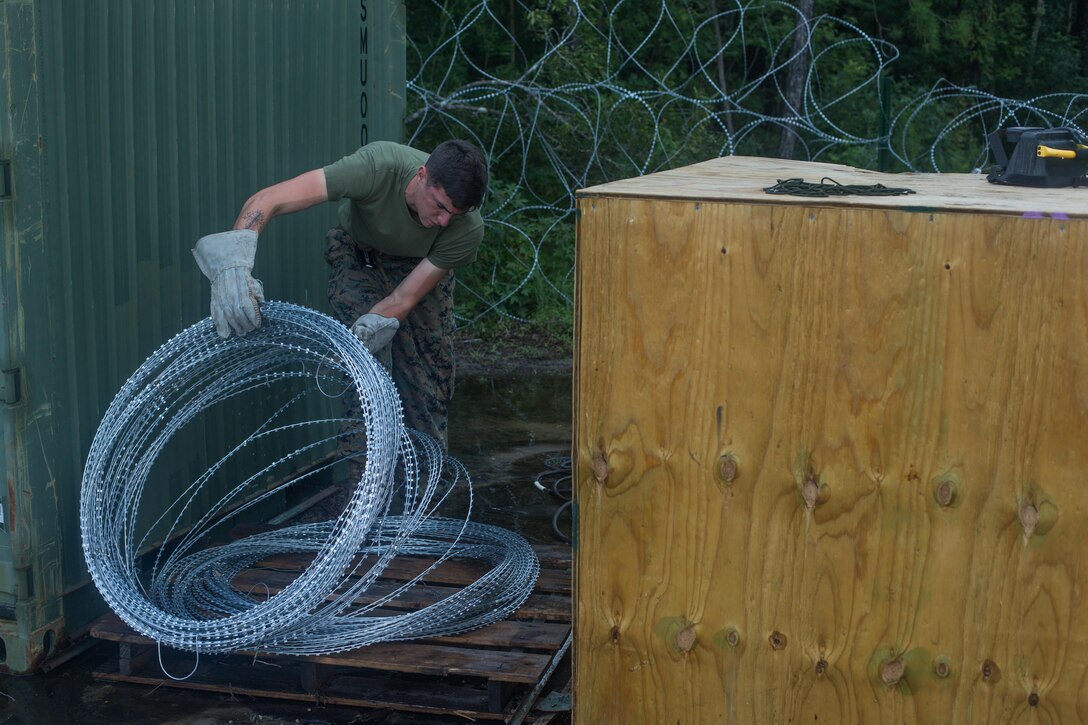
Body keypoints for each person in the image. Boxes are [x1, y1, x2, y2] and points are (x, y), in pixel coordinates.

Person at [192, 139, 489, 454]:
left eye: (454, 214)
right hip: (360, 254)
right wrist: (233, 264)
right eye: (440, 206)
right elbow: (271, 199)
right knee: (369, 373)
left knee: (427, 379)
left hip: (417, 267)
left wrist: (367, 330)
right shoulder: (378, 166)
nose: (444, 221)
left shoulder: (466, 228)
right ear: (421, 175)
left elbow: (403, 299)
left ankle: (423, 483)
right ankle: (366, 484)